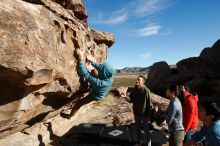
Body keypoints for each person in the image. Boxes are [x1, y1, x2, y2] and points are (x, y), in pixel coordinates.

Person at [61, 48, 115, 119]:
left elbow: (84, 72)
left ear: (104, 72)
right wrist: (91, 60)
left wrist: (81, 57)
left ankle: (70, 116)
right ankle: (91, 85)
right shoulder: (109, 75)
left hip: (95, 96)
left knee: (79, 103)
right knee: (94, 71)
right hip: (99, 87)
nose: (100, 66)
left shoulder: (100, 83)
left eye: (102, 67)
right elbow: (100, 68)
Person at [120, 75, 152, 146]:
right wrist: (125, 97)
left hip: (144, 114)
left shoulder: (146, 91)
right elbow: (131, 100)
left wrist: (148, 116)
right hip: (136, 113)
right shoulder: (134, 89)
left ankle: (148, 144)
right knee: (138, 129)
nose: (137, 81)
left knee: (146, 131)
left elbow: (149, 104)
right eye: (137, 79)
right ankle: (139, 143)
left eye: (139, 80)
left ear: (143, 82)